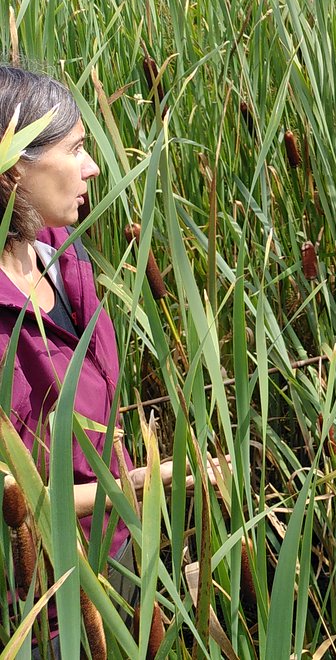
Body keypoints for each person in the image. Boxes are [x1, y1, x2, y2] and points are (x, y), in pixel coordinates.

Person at [0, 66, 214, 656]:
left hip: (118, 551)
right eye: (74, 149)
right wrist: (160, 478)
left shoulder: (63, 261)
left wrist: (155, 478)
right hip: (49, 600)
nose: (94, 166)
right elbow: (20, 498)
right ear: (17, 165)